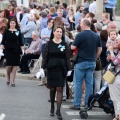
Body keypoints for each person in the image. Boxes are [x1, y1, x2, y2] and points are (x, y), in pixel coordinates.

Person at [69, 18, 102, 110]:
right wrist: (95, 58)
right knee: (89, 84)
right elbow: (100, 49)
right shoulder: (96, 36)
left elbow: (73, 47)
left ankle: (77, 104)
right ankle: (88, 104)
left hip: (81, 62)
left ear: (84, 25)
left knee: (78, 84)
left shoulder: (80, 35)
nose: (80, 25)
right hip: (91, 62)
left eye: (80, 24)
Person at [41, 26, 71, 120]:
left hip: (61, 68)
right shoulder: (49, 43)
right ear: (53, 32)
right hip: (51, 68)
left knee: (60, 88)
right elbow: (45, 56)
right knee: (52, 89)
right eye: (57, 31)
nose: (59, 33)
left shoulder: (64, 43)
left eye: (60, 32)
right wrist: (42, 68)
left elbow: (67, 57)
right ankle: (52, 107)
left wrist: (69, 69)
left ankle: (58, 110)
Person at [0, 18, 23, 87]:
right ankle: (8, 77)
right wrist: (2, 46)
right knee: (9, 65)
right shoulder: (6, 31)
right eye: (11, 23)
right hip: (8, 49)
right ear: (9, 24)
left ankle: (13, 80)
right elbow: (3, 41)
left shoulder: (18, 31)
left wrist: (22, 49)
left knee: (15, 65)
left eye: (14, 23)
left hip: (16, 49)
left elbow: (20, 41)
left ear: (15, 24)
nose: (12, 24)